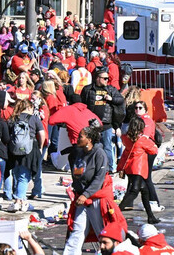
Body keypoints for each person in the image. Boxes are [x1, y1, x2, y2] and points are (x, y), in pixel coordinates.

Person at [64, 125, 115, 255]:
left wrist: (86, 194)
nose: (77, 138)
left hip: (96, 198)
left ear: (89, 140)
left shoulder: (99, 154)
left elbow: (99, 178)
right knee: (77, 229)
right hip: (81, 198)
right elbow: (76, 172)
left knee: (101, 230)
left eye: (81, 136)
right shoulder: (79, 152)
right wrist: (77, 191)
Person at [78, 68, 125, 173]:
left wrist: (111, 99)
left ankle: (110, 169)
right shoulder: (88, 89)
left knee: (107, 147)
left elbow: (121, 99)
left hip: (106, 124)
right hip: (91, 124)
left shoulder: (111, 89)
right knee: (90, 147)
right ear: (97, 78)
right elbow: (82, 104)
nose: (106, 80)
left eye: (108, 78)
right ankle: (91, 168)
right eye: (104, 78)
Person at [117, 116, 160, 224]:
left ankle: (151, 216)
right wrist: (153, 144)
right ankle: (115, 212)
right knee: (134, 191)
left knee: (144, 190)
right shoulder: (142, 140)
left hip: (129, 167)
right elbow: (154, 150)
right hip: (139, 168)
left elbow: (125, 153)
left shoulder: (126, 138)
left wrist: (120, 168)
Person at [7, 99, 46, 213]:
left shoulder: (13, 118)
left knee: (17, 174)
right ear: (29, 107)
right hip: (30, 149)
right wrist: (40, 146)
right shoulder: (34, 118)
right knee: (24, 177)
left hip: (15, 150)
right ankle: (19, 201)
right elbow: (42, 134)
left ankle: (22, 200)